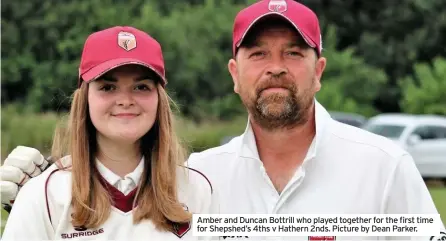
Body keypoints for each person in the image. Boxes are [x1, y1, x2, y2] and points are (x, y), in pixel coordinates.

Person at [1, 0, 445, 240]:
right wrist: (39, 181)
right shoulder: (199, 179)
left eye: (293, 52)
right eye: (258, 54)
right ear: (235, 74)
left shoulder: (385, 165)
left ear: (320, 70)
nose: (276, 67)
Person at [1, 26, 217, 240]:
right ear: (85, 98)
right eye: (108, 87)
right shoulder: (42, 195)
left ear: (159, 100)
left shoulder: (198, 189)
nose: (125, 100)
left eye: (141, 87)